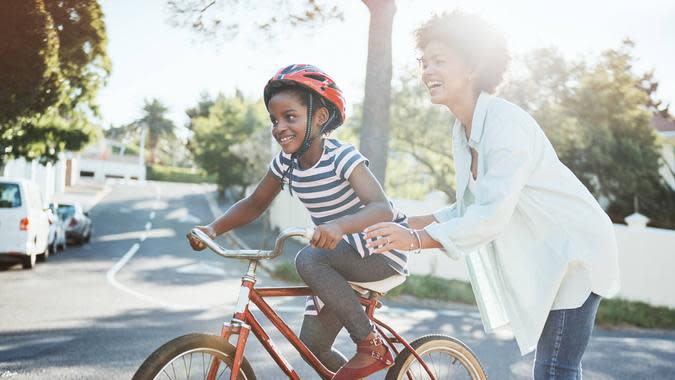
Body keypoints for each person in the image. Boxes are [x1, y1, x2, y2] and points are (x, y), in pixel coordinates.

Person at [364, 11, 620, 379]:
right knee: (557, 368)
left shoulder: (505, 125)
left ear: (472, 66)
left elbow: (492, 215)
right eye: (424, 62)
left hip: (576, 253)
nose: (426, 72)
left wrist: (415, 240)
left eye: (439, 61)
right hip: (554, 257)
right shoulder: (464, 129)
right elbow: (468, 208)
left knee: (554, 369)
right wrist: (403, 224)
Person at [187, 64, 409, 379]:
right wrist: (212, 229)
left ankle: (370, 342)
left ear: (319, 117)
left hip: (380, 252)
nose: (279, 127)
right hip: (336, 259)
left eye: (290, 117)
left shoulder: (340, 157)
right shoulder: (285, 164)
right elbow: (254, 204)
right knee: (312, 346)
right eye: (274, 120)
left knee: (308, 258)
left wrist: (338, 227)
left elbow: (382, 208)